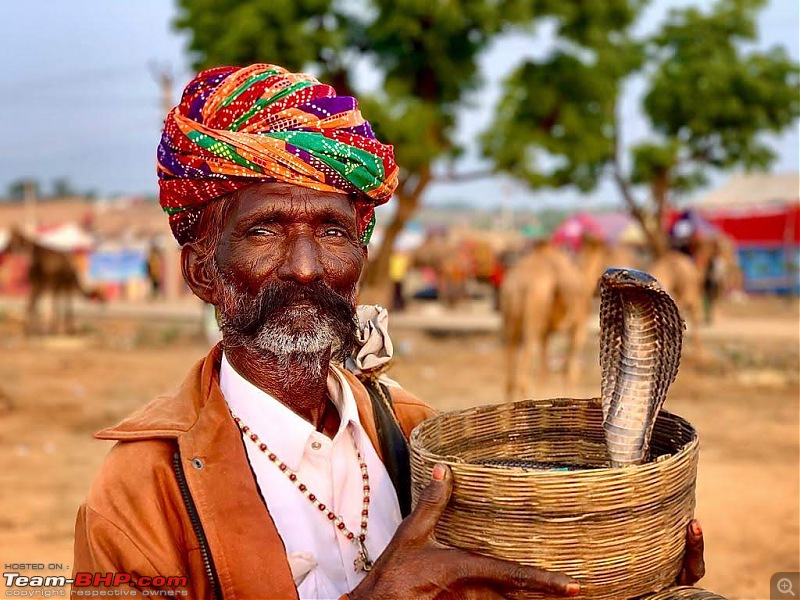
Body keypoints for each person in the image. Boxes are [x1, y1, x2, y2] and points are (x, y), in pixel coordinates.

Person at [72, 64, 704, 599]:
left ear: (361, 261)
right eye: (265, 230)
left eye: (332, 231)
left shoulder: (420, 437)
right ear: (202, 268)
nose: (305, 267)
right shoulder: (141, 492)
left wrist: (636, 576)